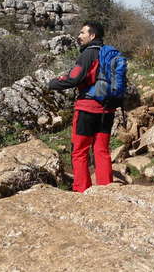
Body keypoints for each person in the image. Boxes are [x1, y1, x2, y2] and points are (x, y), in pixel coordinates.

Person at [48, 21, 114, 192]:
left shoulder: (88, 54)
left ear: (92, 36)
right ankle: (108, 192)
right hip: (107, 110)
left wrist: (53, 83)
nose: (79, 36)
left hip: (87, 109)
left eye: (82, 33)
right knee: (102, 151)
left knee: (79, 151)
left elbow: (74, 78)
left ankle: (81, 191)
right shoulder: (110, 54)